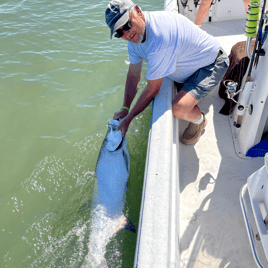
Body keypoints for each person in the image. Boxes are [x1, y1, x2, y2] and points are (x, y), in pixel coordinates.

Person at [105, 0, 229, 145]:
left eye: (127, 24)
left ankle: (200, 121)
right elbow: (133, 74)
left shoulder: (158, 38)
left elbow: (153, 90)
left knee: (179, 109)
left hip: (211, 63)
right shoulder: (134, 40)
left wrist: (129, 118)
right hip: (189, 66)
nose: (126, 34)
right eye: (119, 32)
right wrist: (125, 108)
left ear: (138, 11)